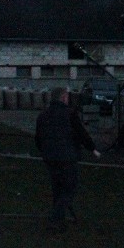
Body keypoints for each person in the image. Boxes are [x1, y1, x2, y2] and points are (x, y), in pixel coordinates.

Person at [35, 87, 101, 231]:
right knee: (69, 189)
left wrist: (45, 152)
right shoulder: (70, 114)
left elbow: (38, 138)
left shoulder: (43, 115)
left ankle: (59, 220)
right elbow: (81, 133)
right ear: (64, 97)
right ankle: (56, 218)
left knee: (57, 189)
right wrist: (93, 149)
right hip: (67, 157)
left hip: (50, 158)